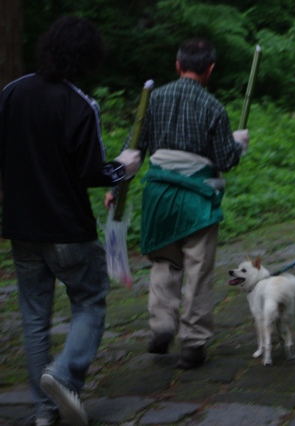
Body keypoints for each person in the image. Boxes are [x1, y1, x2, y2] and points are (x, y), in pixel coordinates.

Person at [0, 16, 141, 426]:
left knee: (33, 317)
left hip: (21, 227)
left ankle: (44, 412)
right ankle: (63, 375)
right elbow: (90, 172)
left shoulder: (11, 93)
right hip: (68, 229)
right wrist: (123, 167)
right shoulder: (80, 104)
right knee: (90, 302)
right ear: (87, 58)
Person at [105, 39, 249, 370]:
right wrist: (238, 144)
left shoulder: (152, 101)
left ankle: (162, 326)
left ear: (177, 65)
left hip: (159, 196)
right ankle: (193, 342)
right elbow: (225, 160)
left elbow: (131, 151)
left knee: (164, 261)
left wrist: (116, 186)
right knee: (198, 269)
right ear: (210, 69)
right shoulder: (214, 107)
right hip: (198, 198)